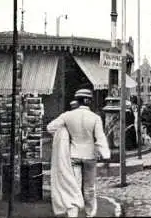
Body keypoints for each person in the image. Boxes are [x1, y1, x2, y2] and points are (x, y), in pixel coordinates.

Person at [47, 89, 110, 218]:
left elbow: (50, 127)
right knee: (89, 187)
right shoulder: (95, 118)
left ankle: (73, 214)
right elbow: (100, 137)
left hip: (73, 155)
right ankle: (90, 213)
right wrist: (106, 154)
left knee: (73, 186)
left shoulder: (67, 116)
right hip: (90, 155)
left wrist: (64, 134)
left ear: (78, 100)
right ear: (89, 101)